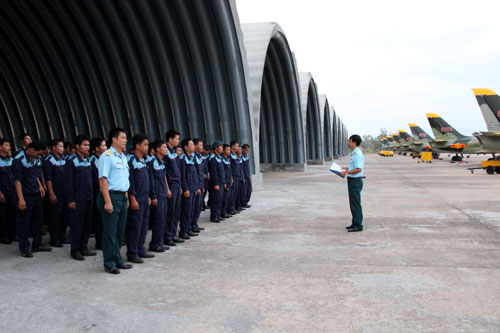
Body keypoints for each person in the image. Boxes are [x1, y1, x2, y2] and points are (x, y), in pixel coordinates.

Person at [96, 128, 131, 274]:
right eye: (122, 138)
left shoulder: (123, 157)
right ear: (114, 139)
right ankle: (109, 263)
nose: (125, 140)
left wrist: (127, 196)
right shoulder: (107, 156)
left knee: (119, 232)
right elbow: (103, 180)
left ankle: (118, 259)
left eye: (125, 138)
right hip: (111, 196)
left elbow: (124, 179)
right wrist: (107, 201)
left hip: (122, 197)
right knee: (110, 232)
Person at [13, 141, 51, 257]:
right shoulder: (19, 160)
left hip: (36, 194)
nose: (39, 156)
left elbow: (36, 175)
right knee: (24, 222)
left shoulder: (35, 158)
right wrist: (21, 199)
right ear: (32, 150)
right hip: (26, 195)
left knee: (37, 220)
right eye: (38, 154)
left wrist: (41, 187)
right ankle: (24, 248)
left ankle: (37, 244)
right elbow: (17, 180)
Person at [64, 135, 95, 260]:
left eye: (88, 145)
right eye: (84, 145)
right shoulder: (71, 160)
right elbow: (68, 182)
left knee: (87, 225)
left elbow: (90, 180)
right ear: (77, 146)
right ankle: (75, 250)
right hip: (77, 199)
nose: (87, 147)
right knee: (77, 225)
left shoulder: (88, 160)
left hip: (88, 198)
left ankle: (84, 247)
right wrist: (70, 199)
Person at [126, 134, 155, 263]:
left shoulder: (144, 160)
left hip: (144, 197)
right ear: (137, 146)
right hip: (136, 198)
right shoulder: (131, 160)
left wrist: (149, 196)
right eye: (145, 144)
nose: (147, 147)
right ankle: (132, 253)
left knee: (144, 225)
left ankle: (140, 249)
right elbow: (130, 181)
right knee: (135, 226)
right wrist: (132, 198)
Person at [43, 139, 67, 248]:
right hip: (55, 192)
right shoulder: (49, 160)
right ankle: (54, 239)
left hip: (64, 191)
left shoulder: (63, 159)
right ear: (53, 148)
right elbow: (48, 178)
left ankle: (62, 236)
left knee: (63, 216)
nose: (62, 149)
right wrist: (51, 193)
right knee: (55, 217)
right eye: (60, 146)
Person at [147, 140, 170, 252]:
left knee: (163, 218)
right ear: (157, 149)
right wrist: (153, 196)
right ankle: (155, 244)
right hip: (156, 194)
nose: (166, 149)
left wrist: (167, 189)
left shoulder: (162, 161)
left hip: (163, 193)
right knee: (158, 219)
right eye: (164, 147)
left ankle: (159, 242)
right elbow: (150, 180)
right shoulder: (151, 161)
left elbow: (164, 177)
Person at [339, 134, 365, 232]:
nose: (348, 143)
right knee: (353, 203)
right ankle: (355, 222)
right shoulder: (354, 153)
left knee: (355, 203)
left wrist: (346, 172)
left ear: (354, 142)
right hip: (352, 181)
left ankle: (358, 225)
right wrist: (346, 168)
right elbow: (354, 167)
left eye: (349, 141)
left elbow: (358, 169)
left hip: (355, 181)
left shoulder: (357, 154)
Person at [164, 130, 183, 246]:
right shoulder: (165, 152)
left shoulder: (173, 152)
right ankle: (167, 236)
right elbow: (164, 172)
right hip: (170, 185)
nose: (178, 141)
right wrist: (167, 188)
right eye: (176, 139)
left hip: (176, 185)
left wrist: (180, 185)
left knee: (176, 211)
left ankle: (173, 234)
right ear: (170, 139)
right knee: (170, 212)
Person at [178, 138, 198, 239]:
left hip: (193, 187)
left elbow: (194, 174)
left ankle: (189, 228)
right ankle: (183, 231)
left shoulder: (191, 158)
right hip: (188, 189)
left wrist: (197, 186)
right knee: (186, 211)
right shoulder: (183, 159)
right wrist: (185, 188)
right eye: (191, 145)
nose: (193, 146)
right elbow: (182, 176)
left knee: (191, 210)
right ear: (186, 147)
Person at [89, 137, 107, 250]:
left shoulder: (105, 159)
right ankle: (99, 242)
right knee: (98, 218)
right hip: (96, 191)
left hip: (105, 190)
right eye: (103, 146)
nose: (106, 148)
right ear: (96, 149)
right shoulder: (92, 161)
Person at [0, 138, 17, 244]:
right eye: (6, 145)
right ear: (0, 147)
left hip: (12, 190)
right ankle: (4, 235)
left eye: (9, 145)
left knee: (13, 212)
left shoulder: (10, 159)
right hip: (3, 191)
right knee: (3, 214)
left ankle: (13, 233)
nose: (9, 147)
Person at [191, 139, 206, 233]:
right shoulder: (192, 157)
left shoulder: (199, 156)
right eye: (200, 145)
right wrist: (196, 186)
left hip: (200, 184)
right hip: (195, 186)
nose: (202, 147)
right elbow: (194, 174)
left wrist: (202, 185)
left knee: (198, 206)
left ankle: (194, 224)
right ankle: (190, 226)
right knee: (193, 207)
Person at [208, 140, 225, 223]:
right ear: (216, 148)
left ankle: (218, 215)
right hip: (216, 183)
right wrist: (215, 183)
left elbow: (222, 171)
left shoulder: (219, 157)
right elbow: (213, 172)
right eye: (220, 147)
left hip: (221, 182)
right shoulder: (213, 158)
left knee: (220, 199)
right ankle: (214, 216)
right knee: (215, 200)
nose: (222, 148)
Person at [221, 144, 232, 219]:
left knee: (228, 197)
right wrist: (224, 182)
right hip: (224, 181)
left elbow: (229, 170)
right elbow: (222, 172)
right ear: (223, 151)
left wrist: (231, 178)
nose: (229, 151)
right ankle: (222, 213)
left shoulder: (227, 159)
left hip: (228, 180)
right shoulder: (221, 159)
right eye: (227, 150)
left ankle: (226, 211)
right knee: (223, 198)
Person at [241, 144, 252, 208]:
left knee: (249, 190)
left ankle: (246, 202)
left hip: (247, 176)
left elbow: (248, 167)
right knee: (244, 191)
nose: (247, 152)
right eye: (246, 150)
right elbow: (241, 168)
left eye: (248, 150)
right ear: (243, 149)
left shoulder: (246, 157)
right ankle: (243, 203)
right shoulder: (241, 157)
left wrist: (249, 175)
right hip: (244, 176)